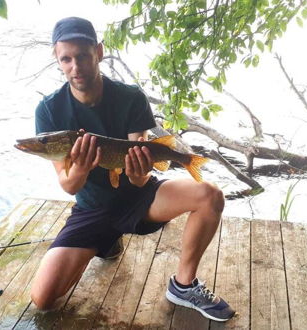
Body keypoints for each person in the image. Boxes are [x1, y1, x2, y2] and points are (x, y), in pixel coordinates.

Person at [30, 16, 235, 322]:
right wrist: (82, 170)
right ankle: (105, 242)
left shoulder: (130, 97)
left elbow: (139, 172)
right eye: (66, 59)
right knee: (43, 299)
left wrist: (139, 175)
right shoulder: (49, 110)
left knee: (210, 195)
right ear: (57, 60)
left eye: (83, 56)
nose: (76, 66)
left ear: (98, 52)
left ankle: (183, 285)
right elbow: (69, 186)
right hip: (92, 209)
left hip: (139, 197)